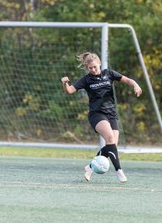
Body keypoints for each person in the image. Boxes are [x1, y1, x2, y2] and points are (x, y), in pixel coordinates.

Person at [61, 52, 142, 183]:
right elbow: (70, 91)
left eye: (95, 67)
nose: (93, 70)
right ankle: (119, 171)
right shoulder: (86, 80)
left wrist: (135, 85)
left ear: (99, 63)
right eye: (90, 68)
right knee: (110, 138)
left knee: (112, 145)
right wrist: (65, 83)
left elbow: (127, 80)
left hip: (111, 113)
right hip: (96, 114)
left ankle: (90, 168)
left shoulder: (109, 74)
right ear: (87, 68)